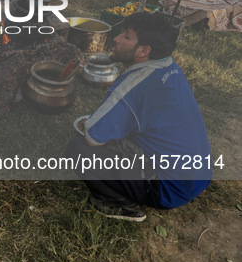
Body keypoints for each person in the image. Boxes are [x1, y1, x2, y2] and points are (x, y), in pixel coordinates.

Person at [66, 12, 212, 222]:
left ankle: (121, 204)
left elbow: (92, 136)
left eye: (126, 36)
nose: (116, 39)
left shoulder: (133, 86)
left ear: (143, 51)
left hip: (167, 189)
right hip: (198, 177)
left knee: (78, 149)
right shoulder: (170, 67)